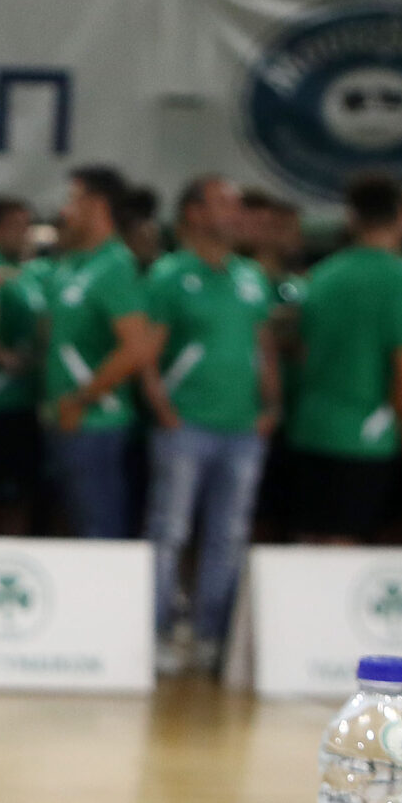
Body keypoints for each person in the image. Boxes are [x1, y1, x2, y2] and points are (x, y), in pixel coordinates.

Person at [139, 175, 279, 673]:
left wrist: (271, 406)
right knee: (170, 531)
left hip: (243, 427)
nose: (236, 214)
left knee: (229, 534)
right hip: (188, 424)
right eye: (225, 204)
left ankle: (210, 636)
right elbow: (147, 353)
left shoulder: (250, 276)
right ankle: (154, 632)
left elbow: (262, 346)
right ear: (194, 213)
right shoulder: (169, 274)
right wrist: (164, 410)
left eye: (238, 205)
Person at [280, 172, 402, 545]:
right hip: (366, 435)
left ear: (351, 218)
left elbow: (299, 350)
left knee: (310, 538)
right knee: (347, 545)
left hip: (310, 427)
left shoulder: (321, 277)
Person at [41, 165, 156, 539]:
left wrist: (83, 398)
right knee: (71, 526)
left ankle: (110, 597)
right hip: (63, 420)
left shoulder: (115, 264)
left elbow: (136, 347)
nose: (64, 211)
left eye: (72, 200)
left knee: (99, 528)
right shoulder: (71, 264)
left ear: (96, 205)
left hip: (96, 423)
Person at [0, 195, 48, 535]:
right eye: (15, 227)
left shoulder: (29, 276)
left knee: (22, 497)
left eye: (26, 227)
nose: (23, 235)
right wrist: (0, 357)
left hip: (26, 403)